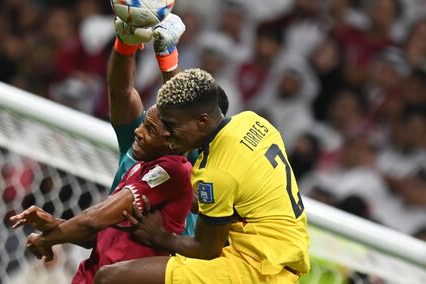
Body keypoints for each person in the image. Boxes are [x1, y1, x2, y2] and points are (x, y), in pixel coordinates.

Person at [10, 15, 227, 283]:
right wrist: (125, 40)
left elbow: (188, 108)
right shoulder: (139, 148)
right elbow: (121, 90)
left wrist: (167, 54)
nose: (140, 131)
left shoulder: (185, 168)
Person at [94, 68, 310, 284]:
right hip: (282, 256)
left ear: (202, 122)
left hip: (255, 270)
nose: (167, 134)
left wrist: (159, 236)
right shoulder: (253, 122)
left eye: (172, 126)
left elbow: (206, 249)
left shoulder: (215, 174)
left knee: (110, 277)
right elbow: (239, 197)